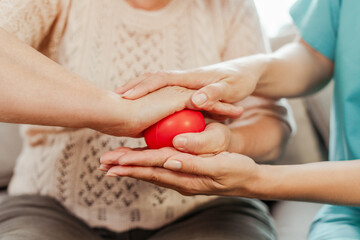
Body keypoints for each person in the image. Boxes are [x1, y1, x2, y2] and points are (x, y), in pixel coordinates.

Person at [0, 0, 293, 239]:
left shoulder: (232, 8)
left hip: (207, 210)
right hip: (50, 207)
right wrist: (115, 112)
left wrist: (230, 140)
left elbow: (269, 122)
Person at [104, 0, 360, 239]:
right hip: (347, 212)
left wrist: (255, 178)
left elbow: (270, 123)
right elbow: (315, 55)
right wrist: (249, 71)